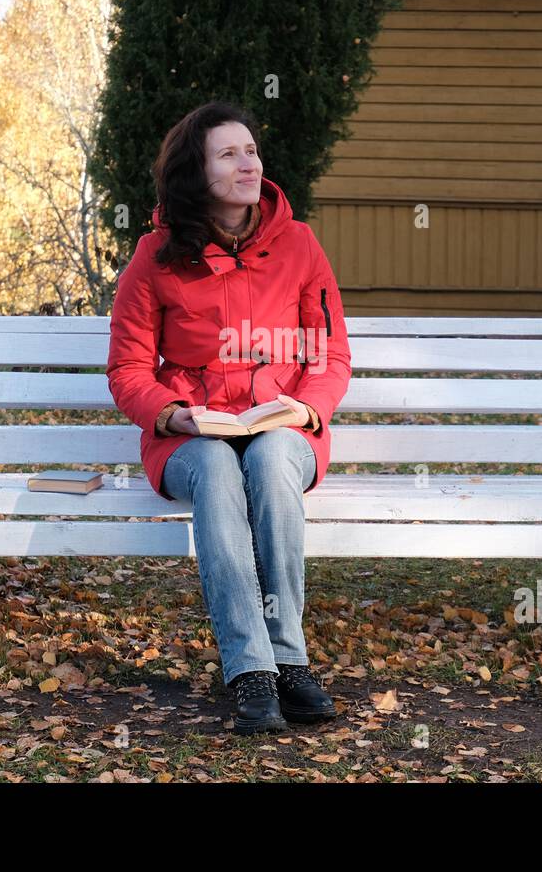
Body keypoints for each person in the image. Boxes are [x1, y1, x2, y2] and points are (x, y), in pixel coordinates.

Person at [106, 101, 352, 735]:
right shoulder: (155, 256)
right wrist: (172, 414)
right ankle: (250, 669)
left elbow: (329, 355)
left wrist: (307, 407)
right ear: (198, 172)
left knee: (270, 460)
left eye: (251, 150)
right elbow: (128, 369)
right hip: (193, 434)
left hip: (285, 424)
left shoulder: (298, 245)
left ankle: (290, 661)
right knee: (217, 469)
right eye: (229, 153)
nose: (248, 163)